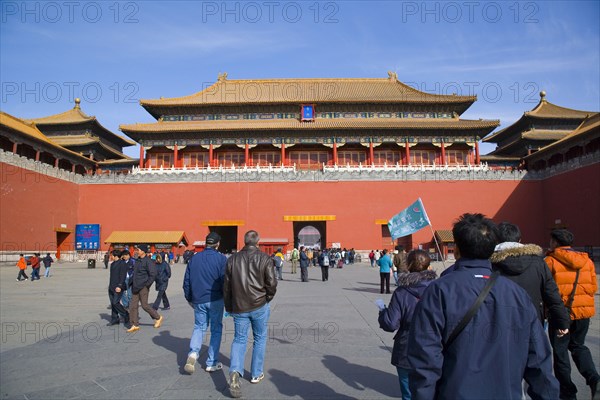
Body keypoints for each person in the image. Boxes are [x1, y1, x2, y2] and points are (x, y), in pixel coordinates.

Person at [407, 213, 559, 400]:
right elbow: (539, 360)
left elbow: (424, 356)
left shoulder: (439, 290)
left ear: (457, 249)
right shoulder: (517, 294)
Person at [545, 229, 600, 400]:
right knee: (578, 346)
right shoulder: (587, 261)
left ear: (555, 242)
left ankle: (568, 392)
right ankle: (594, 379)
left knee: (560, 352)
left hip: (560, 314)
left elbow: (546, 289)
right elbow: (593, 287)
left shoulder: (550, 261)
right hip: (583, 312)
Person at [224, 230, 277, 398]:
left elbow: (226, 286)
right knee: (260, 338)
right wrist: (266, 298)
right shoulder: (265, 258)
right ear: (258, 242)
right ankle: (255, 373)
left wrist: (229, 306)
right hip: (259, 304)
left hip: (239, 306)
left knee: (239, 339)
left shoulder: (232, 259)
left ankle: (234, 372)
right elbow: (272, 283)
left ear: (244, 241)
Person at [379, 249, 436, 400]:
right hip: (436, 348)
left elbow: (390, 324)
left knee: (408, 393)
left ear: (409, 265)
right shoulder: (440, 288)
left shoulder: (402, 292)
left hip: (407, 348)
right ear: (429, 266)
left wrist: (383, 313)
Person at [491, 222, 570, 329]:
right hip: (533, 320)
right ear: (519, 240)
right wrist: (563, 322)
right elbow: (552, 294)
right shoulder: (538, 263)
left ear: (496, 240)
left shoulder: (489, 263)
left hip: (500, 323)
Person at [183, 232, 227, 374]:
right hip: (215, 299)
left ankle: (193, 354)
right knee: (216, 329)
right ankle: (211, 362)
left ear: (206, 243)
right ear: (218, 244)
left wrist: (190, 298)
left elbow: (187, 282)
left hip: (199, 300)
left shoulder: (194, 259)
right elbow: (225, 281)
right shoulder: (221, 259)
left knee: (199, 327)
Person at [127, 244, 163, 333]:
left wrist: (147, 285)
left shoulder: (148, 261)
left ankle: (158, 317)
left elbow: (153, 274)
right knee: (132, 306)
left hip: (143, 287)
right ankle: (134, 324)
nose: (136, 251)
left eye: (138, 250)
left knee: (144, 305)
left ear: (143, 251)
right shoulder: (137, 261)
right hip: (135, 286)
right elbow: (134, 274)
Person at [107, 250, 130, 327]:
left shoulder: (122, 264)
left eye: (111, 255)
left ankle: (126, 314)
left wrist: (119, 286)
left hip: (118, 287)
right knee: (113, 303)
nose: (111, 257)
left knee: (115, 302)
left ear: (115, 256)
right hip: (111, 286)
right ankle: (115, 319)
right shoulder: (113, 264)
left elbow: (123, 276)